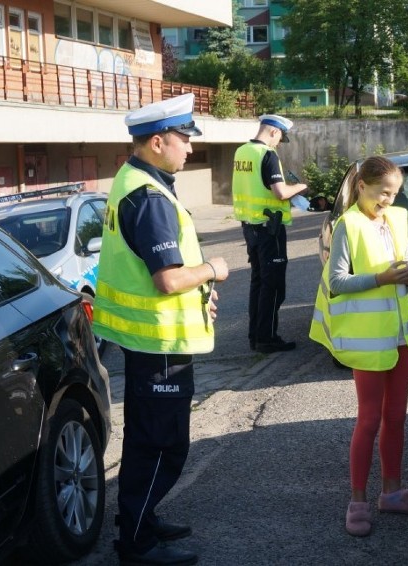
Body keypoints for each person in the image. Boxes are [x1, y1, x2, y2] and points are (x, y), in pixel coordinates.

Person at [92, 92, 230, 566]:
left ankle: (141, 518)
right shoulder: (149, 196)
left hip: (150, 339)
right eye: (183, 139)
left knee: (146, 440)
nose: (189, 149)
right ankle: (136, 542)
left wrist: (198, 293)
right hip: (160, 343)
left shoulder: (133, 181)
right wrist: (212, 270)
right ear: (157, 141)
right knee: (163, 445)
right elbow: (168, 278)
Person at [308, 156, 408, 537]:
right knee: (369, 419)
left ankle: (391, 492)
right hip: (370, 341)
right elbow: (337, 282)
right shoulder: (348, 225)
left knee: (397, 418)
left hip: (403, 336)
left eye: (394, 193)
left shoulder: (396, 219)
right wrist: (381, 278)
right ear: (361, 186)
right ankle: (357, 501)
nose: (388, 200)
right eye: (382, 192)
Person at [233, 114, 307, 354]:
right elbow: (280, 192)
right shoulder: (267, 154)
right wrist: (301, 187)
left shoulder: (242, 152)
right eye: (280, 138)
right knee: (273, 286)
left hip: (250, 226)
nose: (278, 143)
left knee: (258, 282)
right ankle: (267, 338)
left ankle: (256, 336)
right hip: (270, 229)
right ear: (274, 132)